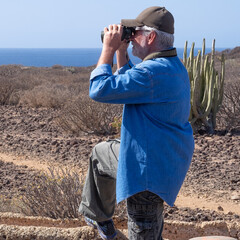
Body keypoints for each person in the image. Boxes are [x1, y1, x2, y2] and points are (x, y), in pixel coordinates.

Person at [78, 6, 194, 240]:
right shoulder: (171, 67)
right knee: (102, 153)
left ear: (151, 37)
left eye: (135, 33)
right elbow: (131, 81)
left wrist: (108, 50)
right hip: (162, 158)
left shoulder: (152, 73)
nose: (130, 38)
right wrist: (123, 50)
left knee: (145, 235)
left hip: (146, 173)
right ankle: (100, 218)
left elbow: (99, 90)